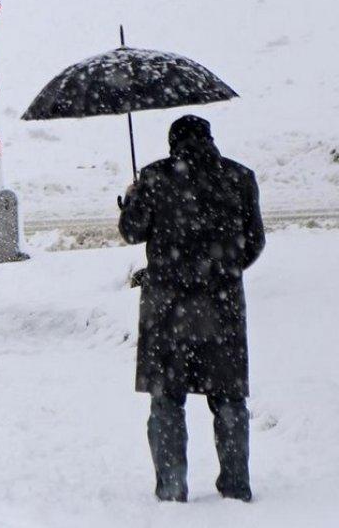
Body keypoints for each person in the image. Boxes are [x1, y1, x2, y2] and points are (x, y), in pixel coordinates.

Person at [118, 115, 265, 503]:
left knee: (166, 398)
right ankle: (236, 486)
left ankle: (171, 488)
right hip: (223, 306)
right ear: (210, 139)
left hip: (167, 307)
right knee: (229, 398)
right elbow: (254, 243)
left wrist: (132, 198)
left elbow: (132, 232)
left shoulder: (153, 178)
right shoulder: (239, 177)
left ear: (173, 145)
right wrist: (223, 272)